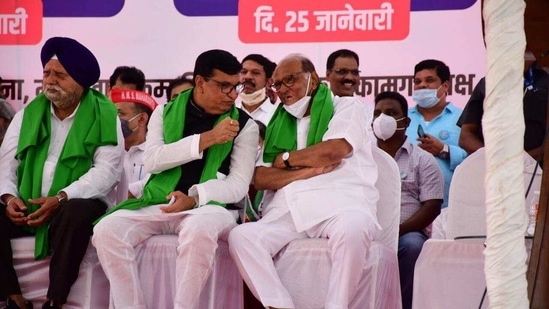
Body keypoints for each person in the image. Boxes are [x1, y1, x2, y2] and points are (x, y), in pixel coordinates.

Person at [92, 49, 259, 309]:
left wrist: (194, 198)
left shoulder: (244, 125)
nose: (233, 95)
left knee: (199, 229)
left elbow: (237, 186)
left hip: (210, 208)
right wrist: (209, 138)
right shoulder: (164, 112)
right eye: (225, 87)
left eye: (235, 87)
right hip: (159, 200)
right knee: (107, 230)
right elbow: (153, 160)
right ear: (201, 82)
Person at [228, 53, 379, 309]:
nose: (284, 89)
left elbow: (334, 150)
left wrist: (285, 159)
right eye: (277, 84)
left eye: (291, 80)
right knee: (242, 236)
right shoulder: (276, 121)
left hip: (339, 204)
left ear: (314, 78)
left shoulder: (345, 107)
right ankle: (280, 305)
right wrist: (305, 171)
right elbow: (262, 177)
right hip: (289, 210)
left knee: (354, 227)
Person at [0, 37, 123, 309]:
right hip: (28, 204)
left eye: (60, 75)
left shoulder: (104, 115)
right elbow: (6, 164)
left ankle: (55, 300)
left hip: (75, 203)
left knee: (75, 212)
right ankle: (13, 297)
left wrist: (61, 198)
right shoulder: (27, 115)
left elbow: (107, 172)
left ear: (80, 82)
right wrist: (9, 199)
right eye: (47, 73)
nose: (50, 81)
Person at [372, 91, 443, 309]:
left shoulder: (423, 159)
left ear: (406, 121)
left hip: (407, 232)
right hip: (367, 229)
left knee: (412, 247)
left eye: (391, 113)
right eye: (377, 114)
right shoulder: (362, 159)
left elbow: (432, 206)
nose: (382, 119)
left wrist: (397, 230)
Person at [458, 50, 549, 160]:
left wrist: (523, 161)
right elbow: (466, 136)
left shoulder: (545, 78)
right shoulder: (487, 83)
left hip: (539, 170)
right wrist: (493, 160)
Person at [405, 59, 467, 209]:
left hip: (450, 208)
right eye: (417, 81)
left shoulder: (463, 118)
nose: (422, 85)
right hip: (408, 208)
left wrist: (444, 150)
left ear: (445, 86)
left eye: (430, 80)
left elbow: (476, 159)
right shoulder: (403, 119)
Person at [110, 88, 158, 199]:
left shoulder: (156, 151)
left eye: (119, 114)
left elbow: (153, 184)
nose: (113, 119)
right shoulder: (104, 148)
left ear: (141, 119)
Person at [236, 54, 277, 125]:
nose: (247, 77)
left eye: (255, 73)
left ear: (268, 82)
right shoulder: (229, 113)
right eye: (243, 72)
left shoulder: (277, 115)